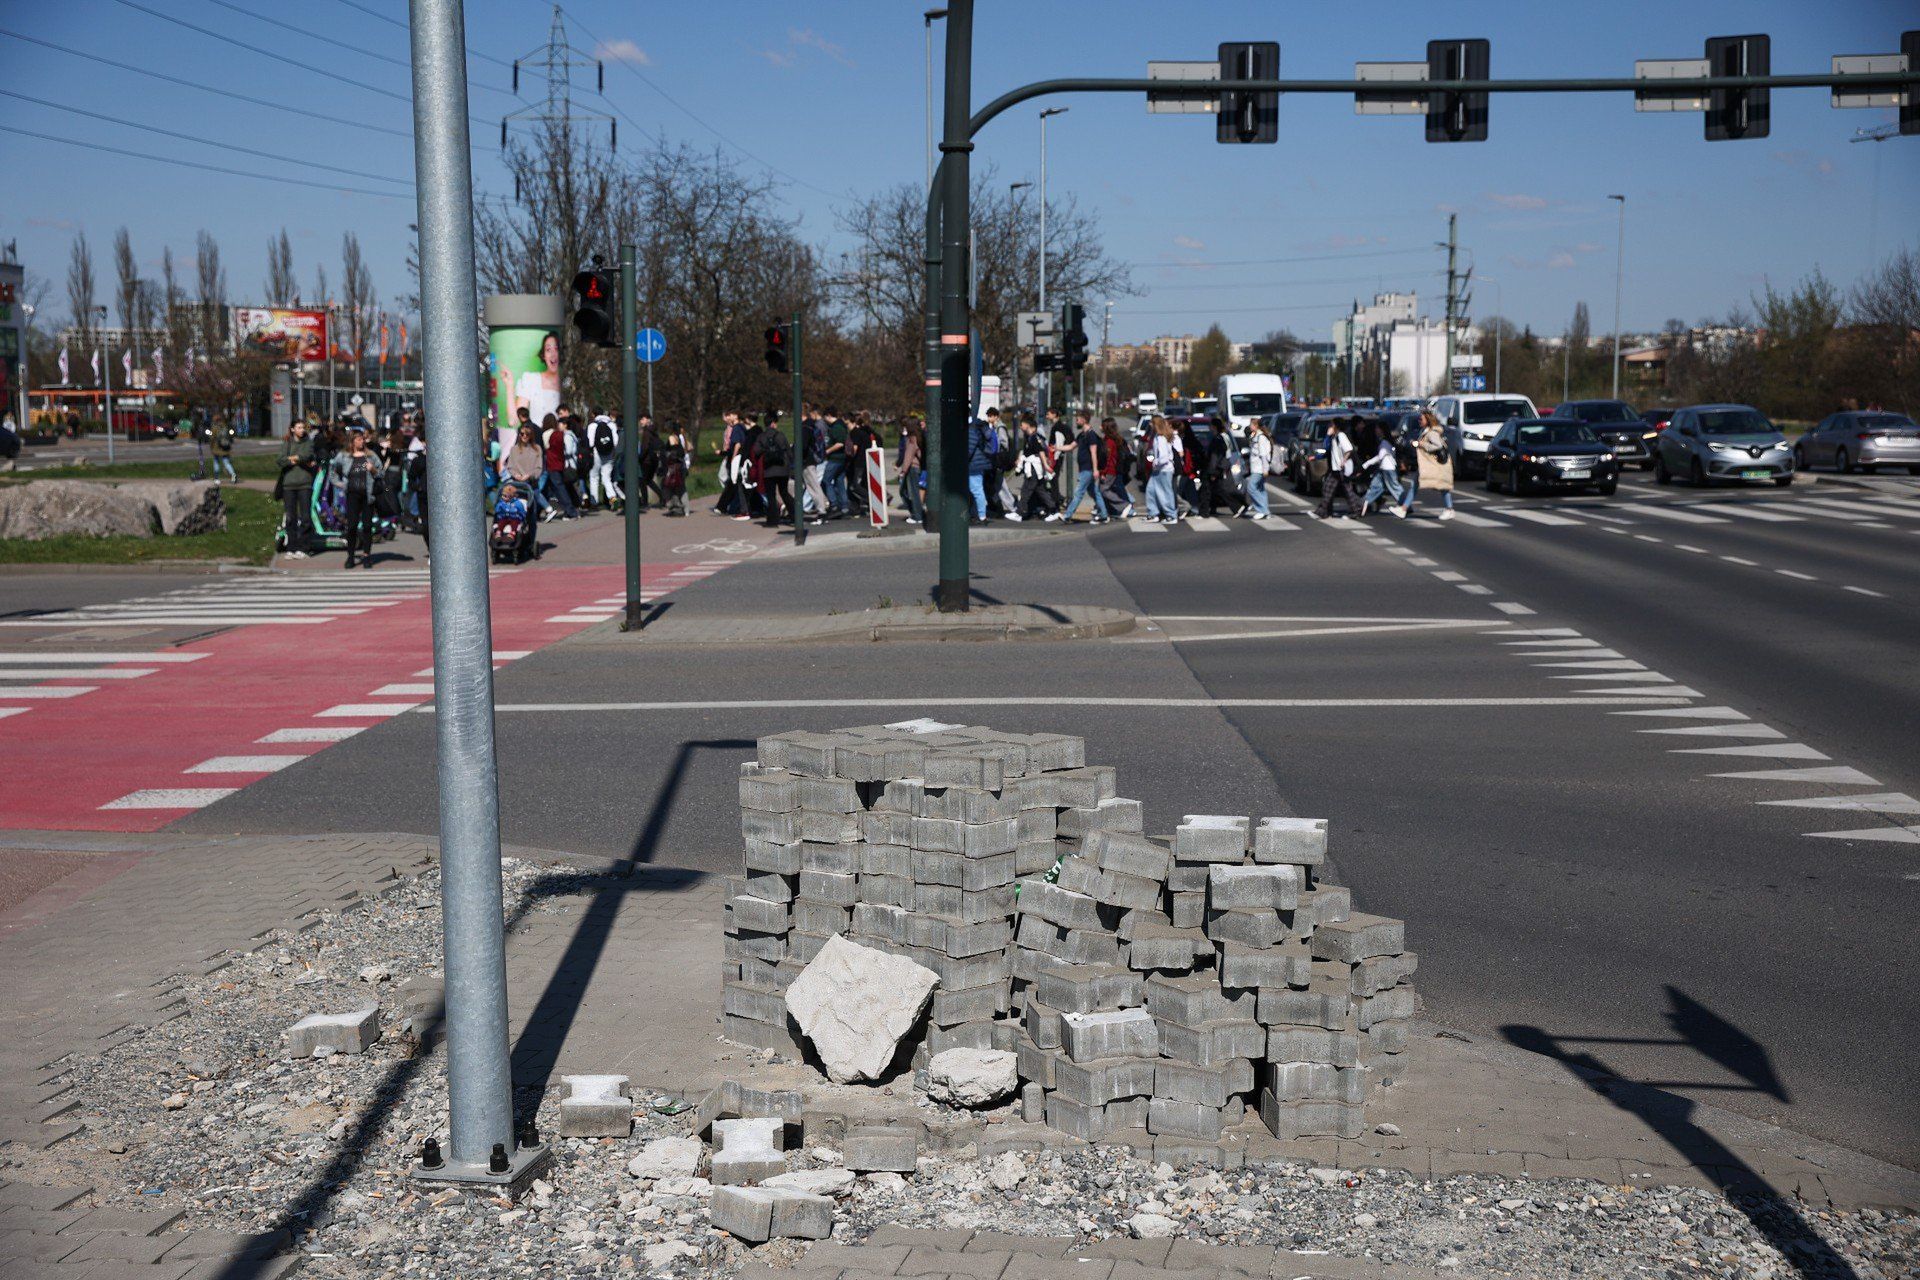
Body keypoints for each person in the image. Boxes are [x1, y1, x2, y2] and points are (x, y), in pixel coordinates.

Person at [331, 425, 383, 568]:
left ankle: (367, 555)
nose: (362, 442)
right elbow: (333, 470)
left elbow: (381, 472)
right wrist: (340, 484)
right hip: (352, 495)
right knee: (352, 526)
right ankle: (351, 556)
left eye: (363, 439)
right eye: (359, 439)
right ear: (352, 441)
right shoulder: (344, 456)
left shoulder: (371, 455)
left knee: (367, 526)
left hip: (368, 495)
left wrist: (373, 470)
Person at [1053, 411, 1110, 524]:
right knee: (1094, 492)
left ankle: (1067, 515)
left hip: (1088, 469)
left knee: (1078, 493)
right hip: (1084, 469)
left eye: (1078, 419)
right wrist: (1057, 448)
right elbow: (1070, 447)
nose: (1076, 421)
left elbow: (1093, 453)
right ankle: (1104, 515)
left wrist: (1095, 470)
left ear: (1084, 420)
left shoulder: (1091, 435)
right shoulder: (1082, 435)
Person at [277, 418, 319, 556]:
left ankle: (304, 548)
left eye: (303, 427)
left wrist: (294, 458)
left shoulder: (308, 442)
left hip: (304, 484)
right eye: (299, 427)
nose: (302, 430)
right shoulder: (287, 442)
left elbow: (307, 455)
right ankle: (291, 548)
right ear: (292, 429)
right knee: (290, 518)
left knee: (305, 517)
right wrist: (292, 459)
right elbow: (280, 460)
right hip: (289, 484)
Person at [510, 331, 563, 434]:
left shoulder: (567, 383)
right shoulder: (531, 379)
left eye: (556, 349)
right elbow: (515, 419)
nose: (553, 354)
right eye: (548, 350)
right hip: (536, 439)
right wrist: (509, 386)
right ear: (543, 355)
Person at [1313, 416, 1360, 519]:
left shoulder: (1341, 436)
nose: (1330, 426)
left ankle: (1357, 509)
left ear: (1336, 426)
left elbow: (1348, 449)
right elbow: (1327, 448)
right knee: (1328, 489)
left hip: (1341, 468)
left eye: (1332, 424)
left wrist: (1343, 461)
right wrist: (1328, 436)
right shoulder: (1335, 436)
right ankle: (1323, 511)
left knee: (1346, 491)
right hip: (1336, 469)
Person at [1412, 408, 1455, 520]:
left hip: (1436, 463)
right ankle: (1403, 507)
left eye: (1421, 419)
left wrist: (1421, 444)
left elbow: (1438, 446)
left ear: (1428, 419)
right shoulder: (1426, 431)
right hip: (1431, 463)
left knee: (1442, 486)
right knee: (1440, 486)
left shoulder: (1432, 433)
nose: (1419, 421)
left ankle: (1449, 509)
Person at [1014, 414, 1057, 521]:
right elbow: (1027, 453)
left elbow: (1041, 452)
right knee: (1040, 490)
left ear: (1027, 425)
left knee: (1026, 490)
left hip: (1034, 468)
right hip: (1032, 467)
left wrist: (1046, 465)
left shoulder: (1035, 438)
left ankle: (1019, 513)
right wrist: (1020, 460)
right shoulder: (1029, 437)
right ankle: (1053, 510)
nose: (1020, 427)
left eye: (1022, 424)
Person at [1358, 420, 1405, 518]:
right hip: (1383, 468)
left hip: (1388, 469)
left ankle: (1405, 505)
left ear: (1382, 430)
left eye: (1377, 428)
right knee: (1375, 486)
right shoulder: (1384, 441)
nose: (1375, 430)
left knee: (1394, 487)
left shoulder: (1384, 442)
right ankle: (1364, 502)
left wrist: (1367, 464)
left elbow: (1380, 456)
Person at [757, 415, 794, 528]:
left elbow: (757, 451)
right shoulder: (780, 435)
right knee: (784, 493)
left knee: (771, 496)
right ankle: (795, 515)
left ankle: (773, 520)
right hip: (782, 469)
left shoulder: (761, 437)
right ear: (773, 423)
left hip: (769, 470)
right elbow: (788, 451)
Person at [1145, 418, 1181, 523]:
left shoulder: (1161, 438)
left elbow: (1164, 457)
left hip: (1164, 469)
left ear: (1156, 425)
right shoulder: (1157, 437)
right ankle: (1153, 513)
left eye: (1152, 423)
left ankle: (1171, 515)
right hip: (1159, 470)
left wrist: (1156, 462)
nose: (1150, 425)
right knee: (1151, 490)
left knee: (1165, 493)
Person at [965, 409, 997, 522]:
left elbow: (969, 447)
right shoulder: (975, 426)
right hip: (977, 462)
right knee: (975, 489)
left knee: (976, 489)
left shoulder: (971, 428)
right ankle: (977, 513)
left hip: (974, 463)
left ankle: (981, 515)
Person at [586, 410, 622, 510]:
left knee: (594, 477)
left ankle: (594, 502)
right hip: (609, 453)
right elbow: (615, 442)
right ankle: (613, 498)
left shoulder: (592, 425)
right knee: (606, 477)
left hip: (596, 453)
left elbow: (590, 443)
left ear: (594, 414)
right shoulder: (611, 424)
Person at [820, 409, 850, 516]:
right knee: (839, 481)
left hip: (836, 459)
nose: (824, 420)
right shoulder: (839, 426)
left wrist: (827, 451)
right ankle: (844, 505)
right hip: (840, 459)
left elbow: (840, 443)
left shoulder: (837, 427)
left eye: (824, 417)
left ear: (828, 415)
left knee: (825, 481)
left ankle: (834, 505)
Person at [896, 416, 926, 525]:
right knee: (908, 491)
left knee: (911, 492)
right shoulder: (919, 436)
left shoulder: (912, 439)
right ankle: (917, 512)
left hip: (913, 468)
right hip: (917, 467)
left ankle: (917, 515)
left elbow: (908, 455)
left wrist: (903, 471)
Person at [1243, 418, 1274, 519]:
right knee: (1260, 489)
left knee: (1251, 488)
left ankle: (1261, 510)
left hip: (1259, 468)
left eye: (1251, 425)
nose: (1250, 426)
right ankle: (1266, 511)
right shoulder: (1256, 436)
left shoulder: (1261, 438)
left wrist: (1265, 469)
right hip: (1256, 467)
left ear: (1256, 426)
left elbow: (1264, 455)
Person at [846, 412, 875, 518]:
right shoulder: (865, 432)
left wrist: (848, 455)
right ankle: (857, 507)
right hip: (865, 461)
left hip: (859, 462)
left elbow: (854, 449)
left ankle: (872, 502)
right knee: (859, 485)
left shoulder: (855, 433)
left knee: (855, 486)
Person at [661, 423, 689, 516]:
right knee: (680, 488)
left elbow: (674, 453)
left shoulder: (672, 438)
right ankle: (685, 509)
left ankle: (676, 508)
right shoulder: (679, 437)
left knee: (669, 487)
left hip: (673, 468)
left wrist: (664, 454)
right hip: (680, 466)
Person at [209, 416, 236, 482]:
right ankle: (233, 475)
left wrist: (211, 447)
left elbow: (212, 438)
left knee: (216, 462)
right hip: (225, 448)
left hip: (216, 448)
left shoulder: (214, 428)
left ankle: (216, 478)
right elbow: (231, 437)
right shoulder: (226, 427)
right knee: (226, 462)